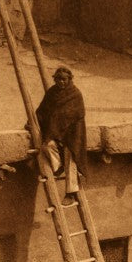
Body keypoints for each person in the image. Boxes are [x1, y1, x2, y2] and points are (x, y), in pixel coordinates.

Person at [33, 65, 87, 198]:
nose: (61, 82)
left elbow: (79, 113)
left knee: (70, 156)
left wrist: (59, 120)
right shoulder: (52, 92)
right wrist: (33, 122)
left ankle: (71, 192)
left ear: (69, 79)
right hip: (57, 131)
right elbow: (42, 110)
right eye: (58, 79)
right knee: (47, 145)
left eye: (64, 79)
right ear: (55, 80)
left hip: (72, 132)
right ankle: (58, 167)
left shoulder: (75, 94)